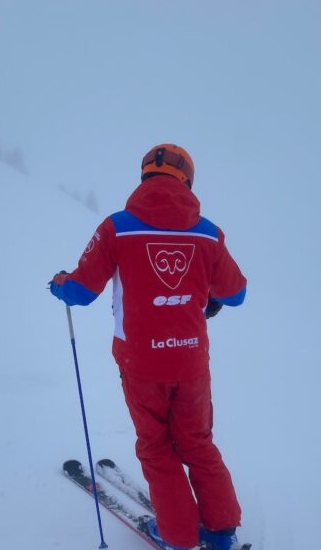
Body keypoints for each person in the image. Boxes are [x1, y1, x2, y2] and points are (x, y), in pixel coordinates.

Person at [49, 144, 247, 550]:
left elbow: (82, 292)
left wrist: (60, 284)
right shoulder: (208, 233)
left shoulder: (117, 227)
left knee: (157, 449)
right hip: (191, 362)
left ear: (144, 178)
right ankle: (221, 532)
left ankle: (178, 538)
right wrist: (209, 296)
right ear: (187, 181)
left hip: (141, 365)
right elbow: (237, 293)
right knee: (197, 443)